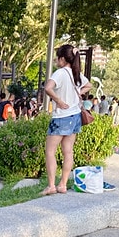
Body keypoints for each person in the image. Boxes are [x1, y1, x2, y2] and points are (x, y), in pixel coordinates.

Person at [41, 43, 90, 196]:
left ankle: (51, 186)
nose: (56, 60)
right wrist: (78, 93)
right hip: (75, 116)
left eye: (58, 57)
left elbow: (47, 88)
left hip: (61, 116)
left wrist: (59, 100)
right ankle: (62, 184)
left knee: (50, 151)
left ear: (62, 59)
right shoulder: (76, 73)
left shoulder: (60, 73)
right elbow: (88, 85)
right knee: (68, 151)